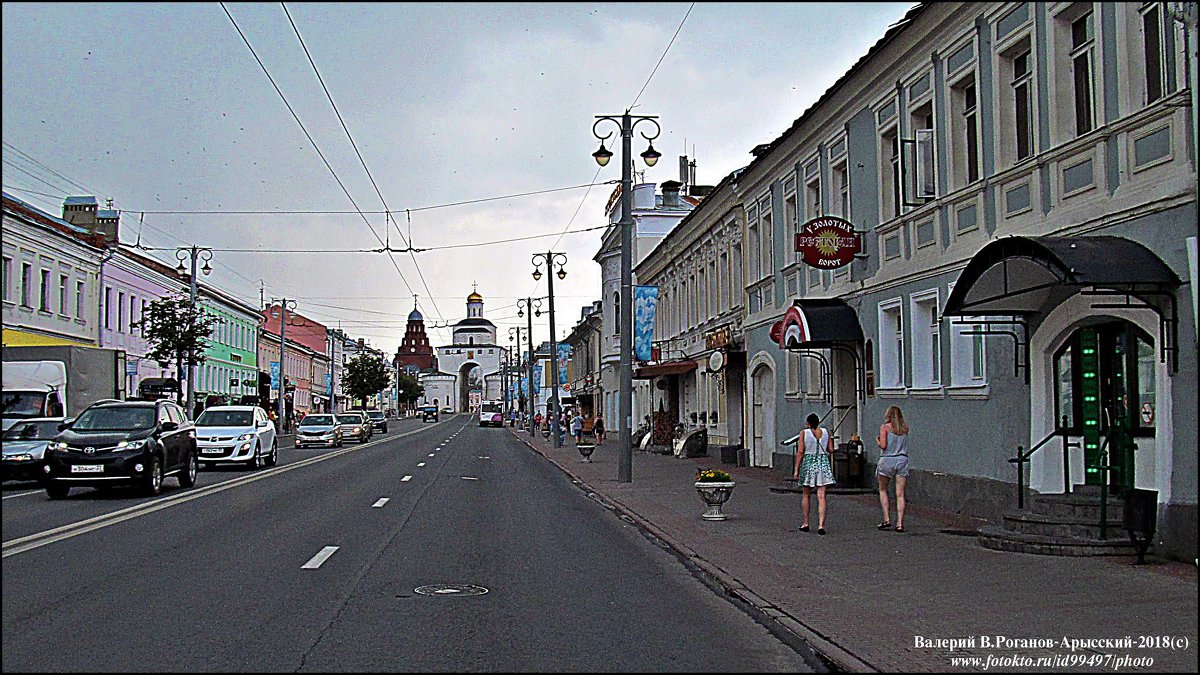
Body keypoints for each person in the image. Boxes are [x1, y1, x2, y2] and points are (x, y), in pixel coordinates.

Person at [792, 413, 835, 535]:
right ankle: (821, 525)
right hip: (822, 462)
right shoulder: (826, 432)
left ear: (808, 423)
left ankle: (806, 523)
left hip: (809, 462)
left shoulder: (804, 433)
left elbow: (800, 451)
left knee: (806, 494)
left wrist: (796, 469)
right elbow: (831, 450)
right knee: (821, 495)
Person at [876, 405, 911, 533]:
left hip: (887, 460)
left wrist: (878, 441)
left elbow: (884, 446)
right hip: (902, 460)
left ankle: (886, 519)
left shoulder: (885, 428)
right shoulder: (904, 429)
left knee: (883, 489)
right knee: (900, 494)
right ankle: (900, 523)